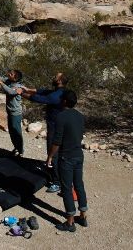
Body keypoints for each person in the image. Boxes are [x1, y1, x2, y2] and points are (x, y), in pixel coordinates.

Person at [19, 72, 68, 192]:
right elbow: (43, 91)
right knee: (59, 153)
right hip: (60, 126)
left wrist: (22, 93)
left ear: (60, 81)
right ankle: (59, 175)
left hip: (55, 128)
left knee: (53, 153)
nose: (53, 77)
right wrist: (28, 89)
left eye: (56, 76)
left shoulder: (56, 95)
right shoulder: (60, 91)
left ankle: (56, 182)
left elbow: (42, 98)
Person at [47, 89, 87, 232]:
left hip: (66, 157)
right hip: (78, 155)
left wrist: (50, 156)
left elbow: (57, 141)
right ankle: (83, 216)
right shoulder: (80, 116)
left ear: (64, 101)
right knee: (79, 185)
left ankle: (70, 222)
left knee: (66, 188)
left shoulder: (61, 117)